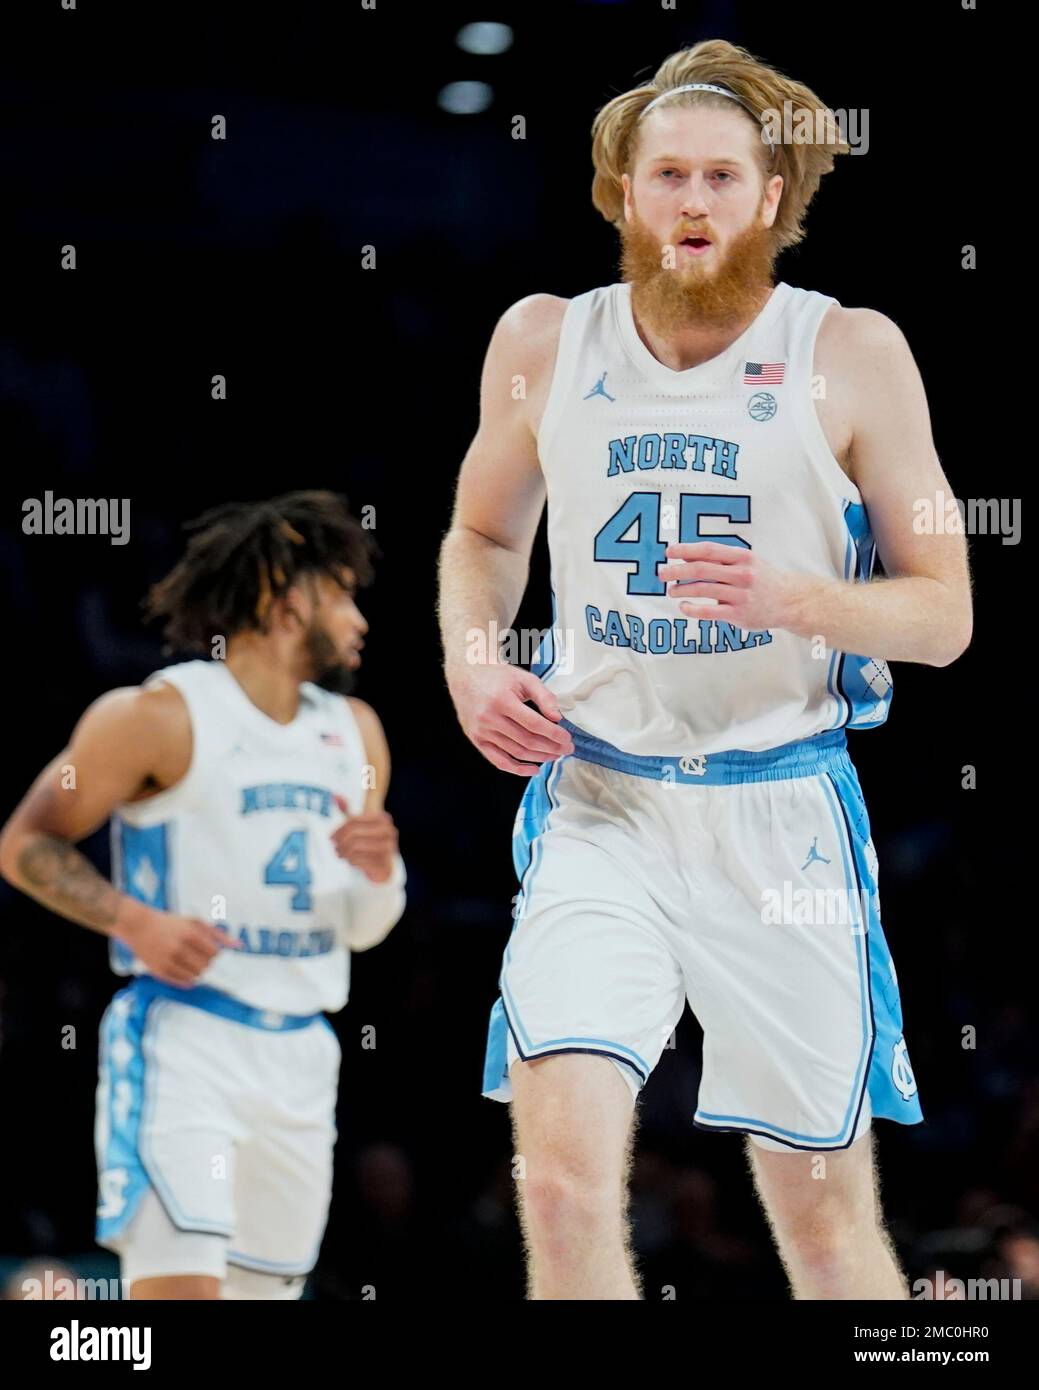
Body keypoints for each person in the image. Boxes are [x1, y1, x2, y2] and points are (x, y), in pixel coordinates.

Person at [437, 39, 972, 1300]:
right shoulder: (542, 339)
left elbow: (945, 614)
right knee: (559, 1186)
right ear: (621, 192)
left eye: (721, 177)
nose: (691, 200)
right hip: (599, 799)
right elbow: (481, 533)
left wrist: (804, 598)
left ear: (771, 198)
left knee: (826, 1229)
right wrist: (473, 664)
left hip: (776, 810)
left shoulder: (852, 352)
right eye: (665, 174)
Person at [0, 491, 406, 1300]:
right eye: (341, 592)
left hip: (302, 1053)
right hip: (187, 1042)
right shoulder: (158, 715)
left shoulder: (355, 731)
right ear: (282, 596)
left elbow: (364, 930)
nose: (360, 619)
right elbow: (24, 843)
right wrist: (131, 919)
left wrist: (381, 876)